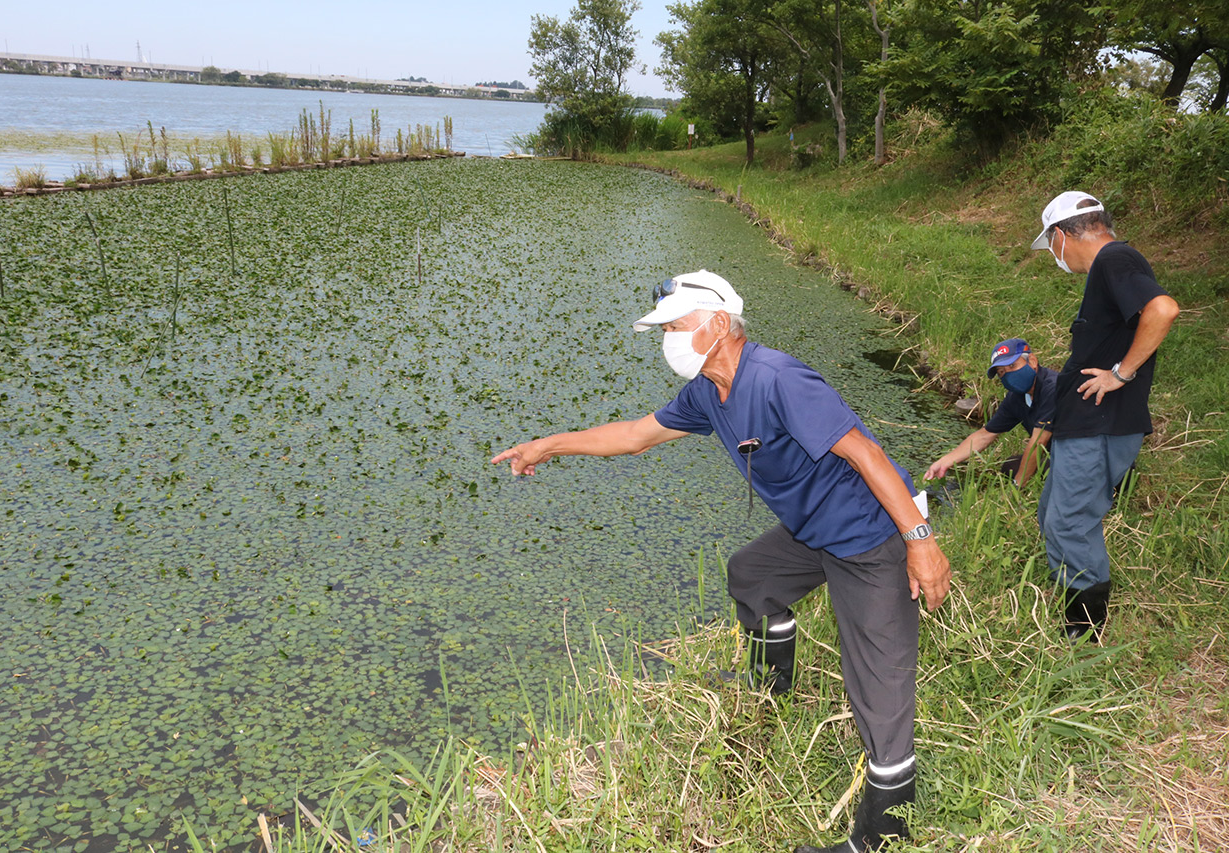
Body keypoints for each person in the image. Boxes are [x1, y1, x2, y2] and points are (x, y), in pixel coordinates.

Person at [491, 270, 951, 853]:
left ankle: (880, 838)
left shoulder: (778, 378)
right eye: (663, 329)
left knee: (878, 687)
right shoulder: (710, 390)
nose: (668, 340)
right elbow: (635, 434)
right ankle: (770, 684)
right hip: (814, 531)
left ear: (714, 323)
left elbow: (866, 452)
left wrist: (921, 541)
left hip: (868, 537)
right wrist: (547, 445)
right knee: (753, 575)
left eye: (675, 326)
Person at [1030, 192, 1179, 642]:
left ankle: (1084, 636)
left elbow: (1163, 308)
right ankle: (1071, 606)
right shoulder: (1112, 266)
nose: (1054, 255)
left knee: (1072, 522)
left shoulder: (1115, 258)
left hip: (1099, 426)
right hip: (1084, 426)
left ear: (1060, 236)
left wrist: (1121, 372)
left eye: (1050, 245)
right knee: (1053, 516)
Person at [924, 338, 1057, 488]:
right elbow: (985, 435)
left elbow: (1038, 442)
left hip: (1076, 456)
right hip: (1055, 454)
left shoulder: (1052, 388)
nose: (1008, 375)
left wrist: (1016, 487)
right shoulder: (1017, 397)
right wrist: (945, 462)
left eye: (1012, 365)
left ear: (1032, 361)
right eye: (1001, 372)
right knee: (1010, 467)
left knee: (1048, 474)